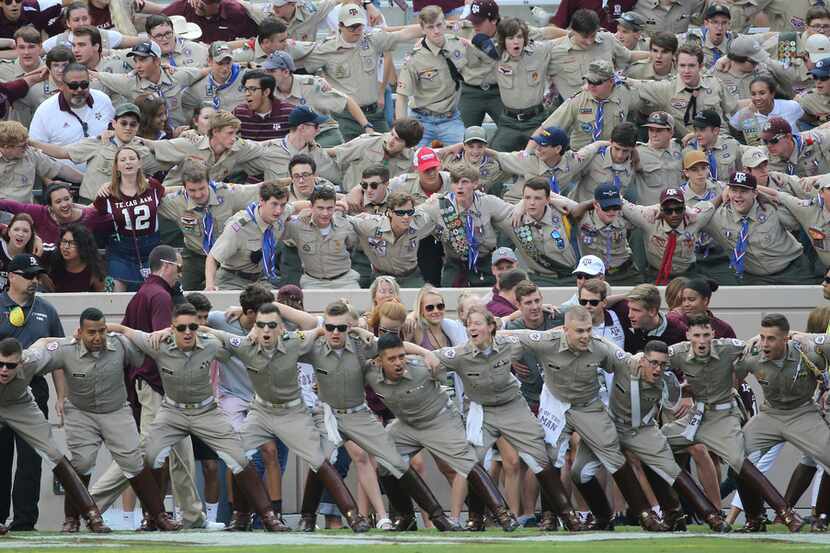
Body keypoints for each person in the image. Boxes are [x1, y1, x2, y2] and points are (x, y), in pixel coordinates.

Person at [108, 302, 288, 532]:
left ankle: (268, 516)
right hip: (172, 411)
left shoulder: (210, 344)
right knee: (150, 456)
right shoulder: (158, 343)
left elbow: (244, 342)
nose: (187, 332)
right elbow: (125, 330)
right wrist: (103, 327)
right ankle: (153, 516)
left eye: (193, 327)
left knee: (240, 457)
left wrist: (245, 321)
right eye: (181, 328)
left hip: (205, 411)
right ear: (172, 328)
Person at [205, 302, 370, 532]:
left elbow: (322, 328)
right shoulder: (245, 345)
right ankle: (245, 516)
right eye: (260, 325)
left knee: (319, 459)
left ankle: (352, 515)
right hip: (260, 411)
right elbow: (211, 331)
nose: (265, 330)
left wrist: (360, 329)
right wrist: (167, 332)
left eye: (272, 325)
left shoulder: (296, 341)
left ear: (282, 328)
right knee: (237, 455)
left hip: (292, 412)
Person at [297, 300, 460, 531]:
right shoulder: (315, 346)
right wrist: (316, 330)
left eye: (341, 328)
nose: (335, 333)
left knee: (395, 461)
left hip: (358, 413)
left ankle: (437, 517)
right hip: (328, 414)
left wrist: (426, 353)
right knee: (319, 460)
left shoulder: (362, 344)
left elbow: (395, 347)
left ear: (349, 328)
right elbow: (285, 345)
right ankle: (307, 516)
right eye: (330, 327)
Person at [89, 246, 213, 531]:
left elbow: (126, 336)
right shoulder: (159, 296)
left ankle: (194, 516)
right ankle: (89, 504)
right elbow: (163, 344)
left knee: (181, 453)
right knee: (142, 453)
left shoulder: (141, 295)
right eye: (179, 269)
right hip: (159, 385)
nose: (180, 274)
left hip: (155, 385)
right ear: (167, 266)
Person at [31, 308, 180, 533]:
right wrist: (35, 347)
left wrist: (148, 333)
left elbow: (147, 347)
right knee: (81, 463)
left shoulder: (119, 344)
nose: (98, 337)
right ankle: (71, 520)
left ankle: (158, 516)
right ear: (80, 332)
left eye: (102, 330)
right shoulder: (65, 349)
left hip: (115, 410)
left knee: (134, 461)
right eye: (91, 332)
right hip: (81, 413)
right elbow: (34, 359)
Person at [569, 339, 731, 532]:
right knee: (579, 472)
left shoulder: (667, 381)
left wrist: (688, 393)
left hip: (643, 430)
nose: (657, 369)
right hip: (610, 427)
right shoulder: (625, 363)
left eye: (662, 364)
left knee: (670, 470)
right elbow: (601, 345)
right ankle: (603, 517)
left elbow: (676, 401)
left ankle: (708, 516)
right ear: (643, 360)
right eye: (653, 363)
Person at [664, 313, 804, 533]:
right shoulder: (678, 352)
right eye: (697, 335)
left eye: (706, 334)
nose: (702, 341)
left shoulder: (728, 348)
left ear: (714, 334)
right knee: (653, 447)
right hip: (695, 416)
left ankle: (785, 513)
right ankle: (677, 514)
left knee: (739, 460)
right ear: (688, 334)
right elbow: (649, 361)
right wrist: (676, 390)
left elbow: (758, 346)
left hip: (723, 416)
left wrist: (794, 338)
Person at [370, 332, 520, 532]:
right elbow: (362, 341)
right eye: (392, 359)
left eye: (401, 356)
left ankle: (502, 514)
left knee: (466, 460)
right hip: (407, 425)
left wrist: (427, 353)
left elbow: (460, 360)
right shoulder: (369, 373)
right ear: (379, 361)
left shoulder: (422, 367)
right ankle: (406, 517)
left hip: (439, 419)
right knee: (384, 461)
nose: (398, 363)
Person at [0, 336, 111, 535]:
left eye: (10, 365)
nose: (4, 370)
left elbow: (44, 342)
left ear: (21, 361)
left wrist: (75, 338)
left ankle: (92, 514)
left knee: (52, 452)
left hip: (20, 406)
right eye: (0, 364)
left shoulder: (32, 359)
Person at [0, 254, 65, 531]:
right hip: (2, 387)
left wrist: (61, 397)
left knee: (32, 458)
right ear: (11, 276)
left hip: (33, 387)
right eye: (28, 276)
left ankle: (25, 520)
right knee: (1, 458)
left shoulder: (46, 310)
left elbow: (58, 357)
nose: (34, 281)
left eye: (36, 276)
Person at [302, 5, 422, 141]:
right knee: (345, 158)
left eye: (360, 25)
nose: (358, 31)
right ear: (340, 25)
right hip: (343, 118)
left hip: (374, 114)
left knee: (386, 152)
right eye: (352, 27)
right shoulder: (326, 48)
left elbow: (403, 34)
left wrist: (431, 27)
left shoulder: (371, 40)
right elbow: (301, 64)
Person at [157, 158, 261, 290]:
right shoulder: (176, 202)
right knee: (182, 291)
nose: (198, 194)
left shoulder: (227, 193)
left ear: (209, 182)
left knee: (220, 292)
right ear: (184, 187)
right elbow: (148, 199)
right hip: (195, 255)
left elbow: (259, 191)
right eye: (192, 190)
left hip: (225, 256)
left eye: (202, 188)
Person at [28, 102, 161, 204]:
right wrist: (31, 142)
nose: (128, 128)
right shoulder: (97, 143)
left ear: (138, 127)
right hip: (92, 202)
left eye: (133, 124)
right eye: (123, 123)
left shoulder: (142, 151)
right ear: (114, 123)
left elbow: (170, 156)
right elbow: (62, 152)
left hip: (124, 205)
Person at [701, 171, 816, 285]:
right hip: (755, 278)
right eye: (733, 190)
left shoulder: (770, 207)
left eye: (744, 191)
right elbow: (693, 215)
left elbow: (802, 218)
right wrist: (720, 198)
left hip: (792, 269)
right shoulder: (718, 217)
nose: (738, 196)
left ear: (755, 193)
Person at [420, 166, 514, 288]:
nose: (459, 186)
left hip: (485, 261)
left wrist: (524, 205)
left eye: (464, 182)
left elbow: (513, 213)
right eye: (455, 182)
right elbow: (412, 216)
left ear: (475, 183)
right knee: (449, 298)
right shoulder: (439, 205)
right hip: (456, 264)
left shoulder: (487, 202)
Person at [94, 145, 165, 291]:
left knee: (154, 293)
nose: (128, 162)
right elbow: (91, 211)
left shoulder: (153, 186)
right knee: (114, 297)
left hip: (151, 249)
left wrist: (184, 188)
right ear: (117, 166)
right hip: (121, 252)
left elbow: (166, 192)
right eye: (123, 160)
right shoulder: (108, 193)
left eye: (132, 158)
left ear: (139, 163)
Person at [395, 6, 466, 148]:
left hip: (450, 118)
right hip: (421, 119)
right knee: (410, 158)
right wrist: (401, 129)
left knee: (463, 158)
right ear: (423, 29)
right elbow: (401, 97)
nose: (436, 31)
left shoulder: (458, 44)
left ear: (445, 23)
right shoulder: (414, 58)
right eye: (430, 27)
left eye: (439, 25)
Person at [93, 41, 206, 128]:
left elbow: (206, 71)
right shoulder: (129, 83)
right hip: (150, 137)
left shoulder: (176, 76)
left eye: (142, 60)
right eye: (135, 61)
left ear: (157, 61)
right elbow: (99, 76)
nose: (137, 66)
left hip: (180, 134)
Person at [621, 186, 717, 284]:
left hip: (688, 274)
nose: (674, 214)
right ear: (662, 211)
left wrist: (724, 193)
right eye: (668, 210)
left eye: (678, 209)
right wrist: (655, 207)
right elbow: (622, 203)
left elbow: (711, 205)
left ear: (684, 209)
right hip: (657, 275)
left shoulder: (695, 219)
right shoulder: (648, 218)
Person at [349, 191, 436, 288]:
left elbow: (434, 207)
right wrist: (342, 205)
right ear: (390, 212)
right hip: (381, 277)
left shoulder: (419, 221)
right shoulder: (371, 226)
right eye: (400, 213)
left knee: (422, 299)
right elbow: (347, 220)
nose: (406, 217)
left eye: (410, 212)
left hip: (410, 277)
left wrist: (435, 198)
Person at [29, 63, 115, 158]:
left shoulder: (103, 100)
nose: (79, 89)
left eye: (84, 84)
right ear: (61, 85)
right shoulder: (45, 111)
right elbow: (35, 150)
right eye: (73, 85)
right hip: (63, 171)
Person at [0, 183, 112, 256]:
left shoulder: (89, 216)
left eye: (67, 199)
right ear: (50, 207)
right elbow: (8, 205)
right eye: (58, 202)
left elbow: (116, 220)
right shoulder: (40, 212)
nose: (64, 204)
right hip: (45, 268)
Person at [282, 184, 359, 289]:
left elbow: (352, 244)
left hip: (345, 280)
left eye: (329, 208)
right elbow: (277, 220)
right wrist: (295, 208)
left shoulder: (345, 224)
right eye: (320, 208)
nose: (325, 213)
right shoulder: (297, 226)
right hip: (313, 282)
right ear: (311, 207)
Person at [0, 120, 81, 203]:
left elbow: (60, 170)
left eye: (27, 143)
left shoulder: (30, 154)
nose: (27, 147)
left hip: (25, 210)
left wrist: (86, 180)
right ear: (6, 147)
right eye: (22, 146)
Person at [730, 76, 805, 146]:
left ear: (772, 94)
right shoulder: (744, 115)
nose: (757, 98)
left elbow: (808, 120)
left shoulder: (791, 107)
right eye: (753, 94)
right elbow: (732, 127)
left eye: (762, 93)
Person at [143, 0, 258, 43]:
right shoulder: (184, 6)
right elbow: (158, 21)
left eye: (205, 3)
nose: (198, 5)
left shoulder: (235, 12)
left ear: (217, 4)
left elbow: (252, 38)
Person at [182, 42, 246, 114]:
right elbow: (183, 108)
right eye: (220, 63)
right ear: (209, 61)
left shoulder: (246, 77)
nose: (225, 68)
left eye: (228, 63)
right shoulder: (198, 88)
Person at [44, 225, 107, 293]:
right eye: (64, 241)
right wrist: (41, 274)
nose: (66, 247)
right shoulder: (52, 257)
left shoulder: (94, 269)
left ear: (83, 245)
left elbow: (101, 297)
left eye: (72, 243)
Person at [233, 69, 292, 142]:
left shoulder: (289, 112)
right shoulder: (239, 112)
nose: (247, 94)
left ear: (266, 92)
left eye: (253, 89)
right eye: (246, 89)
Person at [667, 277, 736, 338]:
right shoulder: (675, 321)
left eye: (691, 299)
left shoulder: (723, 329)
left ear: (705, 301)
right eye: (683, 300)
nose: (686, 304)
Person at [760, 116, 830, 177]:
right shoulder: (763, 155)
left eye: (774, 141)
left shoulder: (816, 141)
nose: (769, 146)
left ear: (788, 137)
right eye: (765, 141)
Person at [684, 110, 741, 182]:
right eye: (695, 130)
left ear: (715, 131)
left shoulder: (732, 145)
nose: (697, 134)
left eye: (702, 130)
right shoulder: (688, 151)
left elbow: (741, 172)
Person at [144, 15, 209, 70]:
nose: (164, 38)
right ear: (150, 37)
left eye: (168, 33)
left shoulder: (198, 49)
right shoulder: (145, 59)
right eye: (159, 36)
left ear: (174, 31)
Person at [0, 213, 37, 292]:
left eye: (25, 231)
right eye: (16, 229)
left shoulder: (33, 255)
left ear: (31, 235)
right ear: (9, 231)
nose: (20, 234)